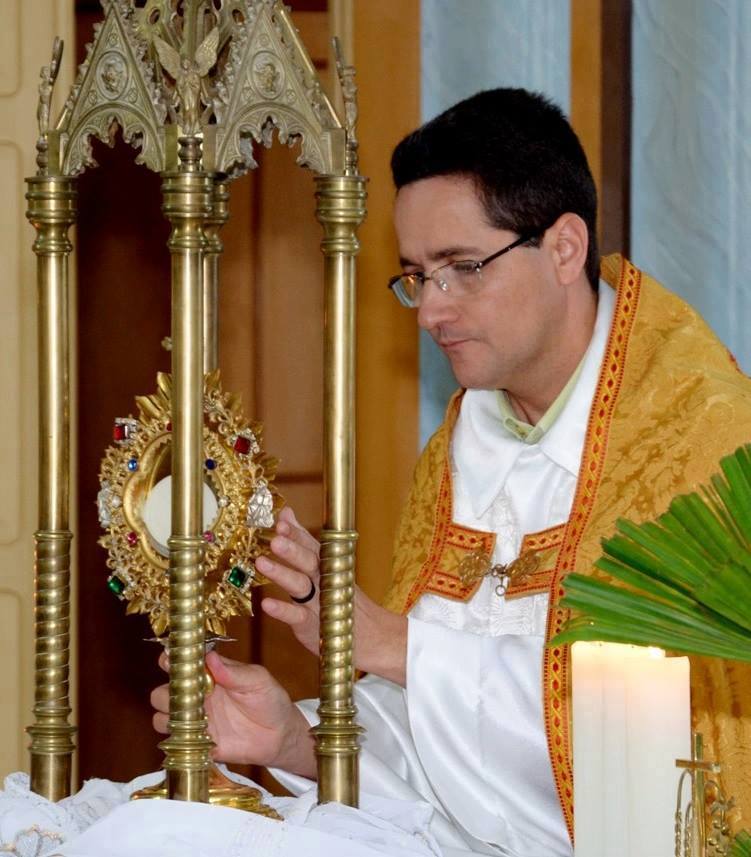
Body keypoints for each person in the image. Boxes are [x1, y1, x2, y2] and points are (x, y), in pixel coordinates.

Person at [153, 88, 751, 856]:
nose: (431, 311)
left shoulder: (699, 445)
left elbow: (655, 747)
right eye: (416, 275)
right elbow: (448, 750)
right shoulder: (463, 445)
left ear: (564, 248)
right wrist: (300, 741)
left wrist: (394, 644)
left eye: (462, 268)